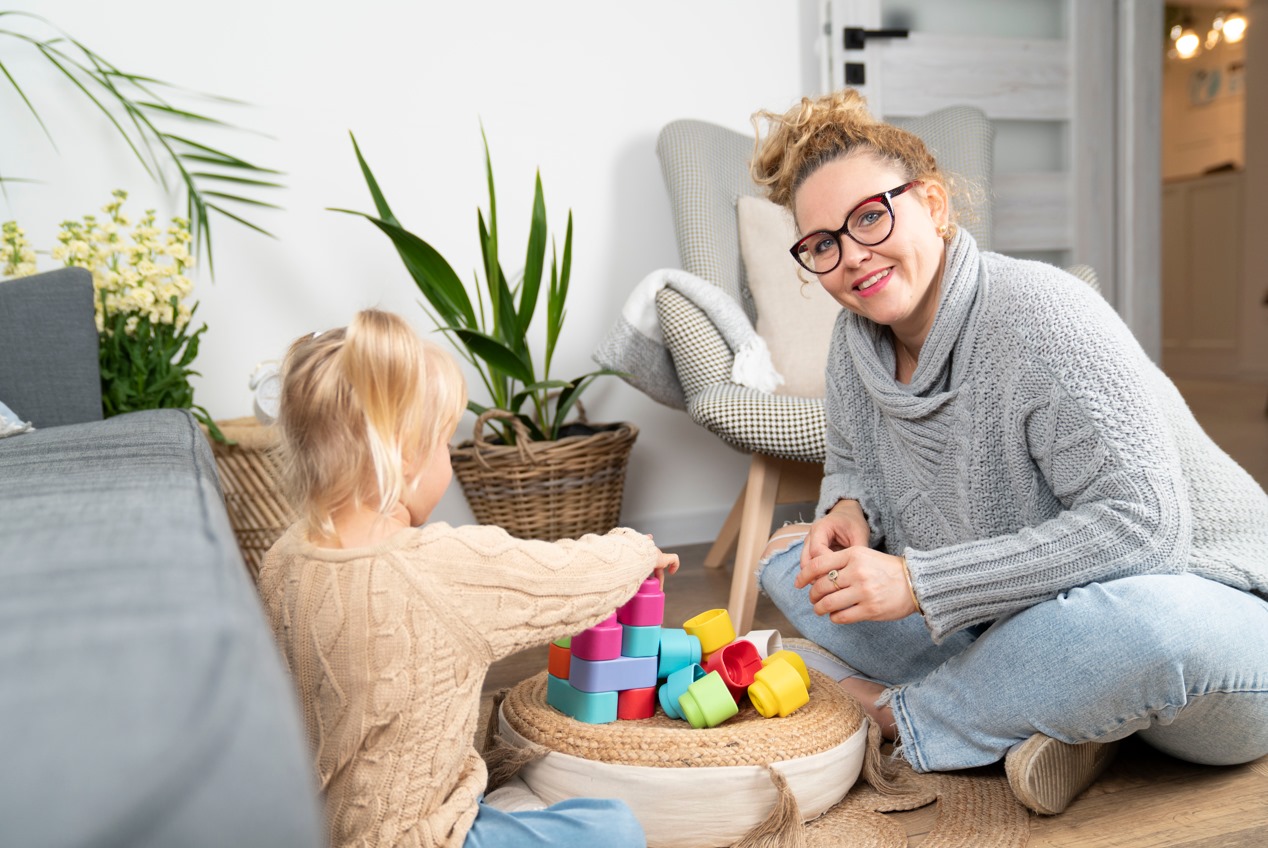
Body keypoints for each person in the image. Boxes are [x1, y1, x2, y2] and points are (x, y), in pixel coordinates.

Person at [748, 89, 1268, 815]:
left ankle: (900, 714)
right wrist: (847, 509)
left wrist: (921, 584)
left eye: (871, 216)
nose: (853, 256)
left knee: (1148, 630)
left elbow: (1149, 528)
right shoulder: (855, 343)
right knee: (787, 563)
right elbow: (853, 460)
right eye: (824, 245)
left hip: (1205, 604)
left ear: (931, 204)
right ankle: (1058, 715)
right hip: (1018, 613)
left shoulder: (1040, 313)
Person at [257, 309, 677, 848]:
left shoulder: (282, 557)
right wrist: (638, 550)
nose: (449, 461)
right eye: (443, 444)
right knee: (613, 828)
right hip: (419, 839)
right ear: (404, 455)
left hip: (308, 829)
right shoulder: (438, 565)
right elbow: (568, 578)